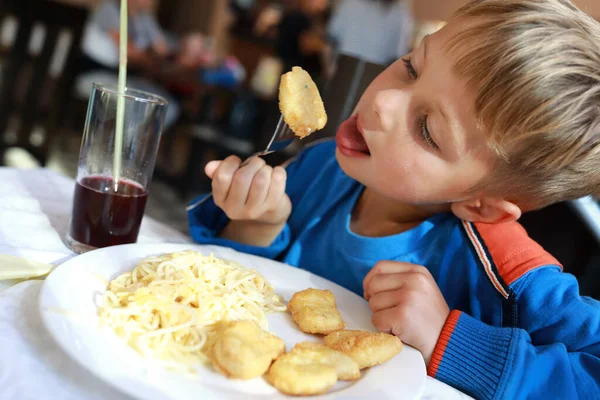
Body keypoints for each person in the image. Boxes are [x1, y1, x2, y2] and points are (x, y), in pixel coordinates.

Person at [187, 0, 600, 398]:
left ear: (480, 204)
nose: (383, 101)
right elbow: (235, 304)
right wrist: (256, 226)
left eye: (427, 130)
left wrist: (451, 341)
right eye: (410, 66)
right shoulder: (319, 169)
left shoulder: (509, 273)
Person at [78, 0, 181, 129]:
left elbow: (162, 48)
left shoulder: (144, 19)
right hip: (95, 74)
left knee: (168, 107)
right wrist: (154, 63)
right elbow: (128, 51)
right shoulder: (111, 9)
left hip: (127, 79)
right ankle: (125, 144)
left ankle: (135, 145)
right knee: (137, 105)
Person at [327, 0, 414, 66]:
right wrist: (329, 67)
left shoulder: (401, 15)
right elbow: (329, 41)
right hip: (343, 70)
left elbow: (397, 57)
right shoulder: (350, 3)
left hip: (374, 76)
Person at [275, 0, 330, 83]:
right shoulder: (299, 18)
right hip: (293, 74)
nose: (323, 5)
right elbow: (306, 46)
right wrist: (322, 47)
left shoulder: (305, 18)